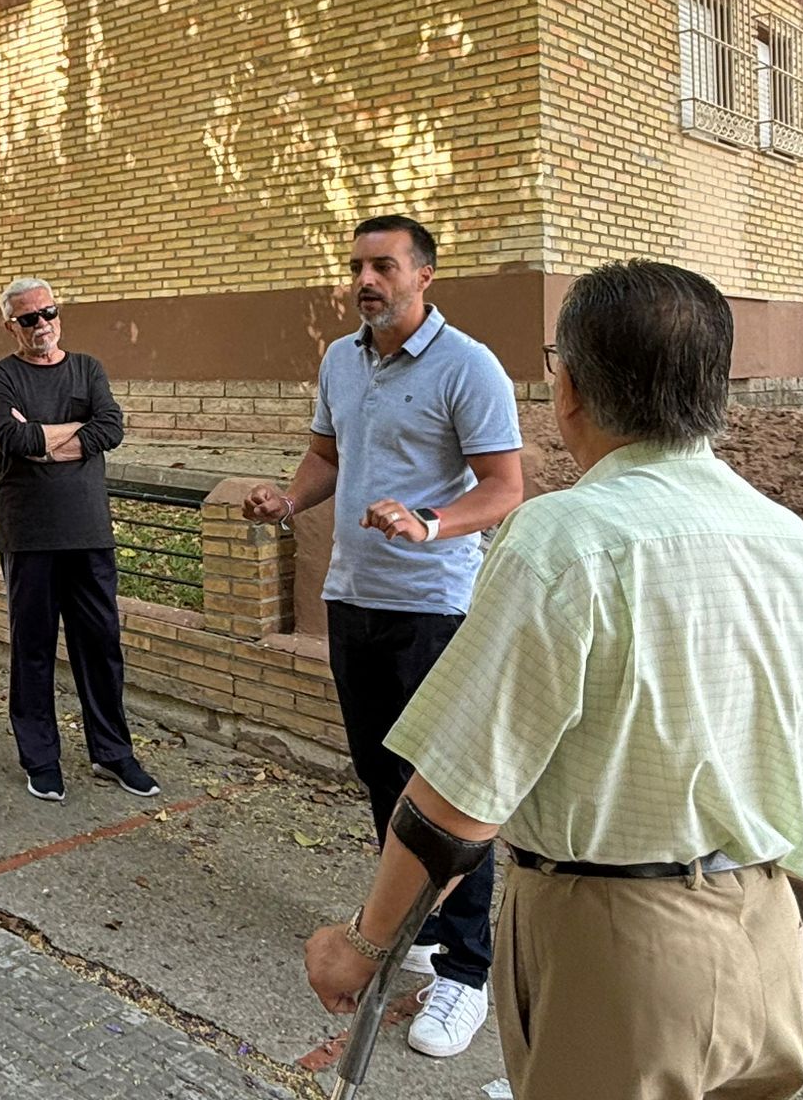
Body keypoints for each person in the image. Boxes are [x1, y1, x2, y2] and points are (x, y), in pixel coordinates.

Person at [302, 260, 803, 1100]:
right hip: (766, 935)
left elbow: (455, 801)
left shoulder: (563, 542)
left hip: (618, 945)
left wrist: (364, 944)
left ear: (570, 389)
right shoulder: (795, 546)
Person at [242, 214, 523, 1060]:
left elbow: (506, 486)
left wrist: (429, 521)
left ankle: (467, 974)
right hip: (353, 597)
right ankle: (409, 929)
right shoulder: (341, 358)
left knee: (443, 795)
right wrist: (290, 502)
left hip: (432, 605)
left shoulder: (469, 366)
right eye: (358, 266)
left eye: (384, 266)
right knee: (380, 774)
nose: (366, 280)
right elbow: (326, 456)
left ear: (424, 276)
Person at [0, 277, 155, 802]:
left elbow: (111, 427)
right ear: (11, 325)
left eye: (48, 313)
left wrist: (46, 438)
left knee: (100, 646)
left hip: (88, 532)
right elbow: (13, 438)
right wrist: (67, 431)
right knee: (32, 649)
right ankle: (41, 758)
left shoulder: (87, 368)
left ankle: (113, 753)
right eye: (29, 318)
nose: (42, 325)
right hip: (30, 534)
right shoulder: (0, 375)